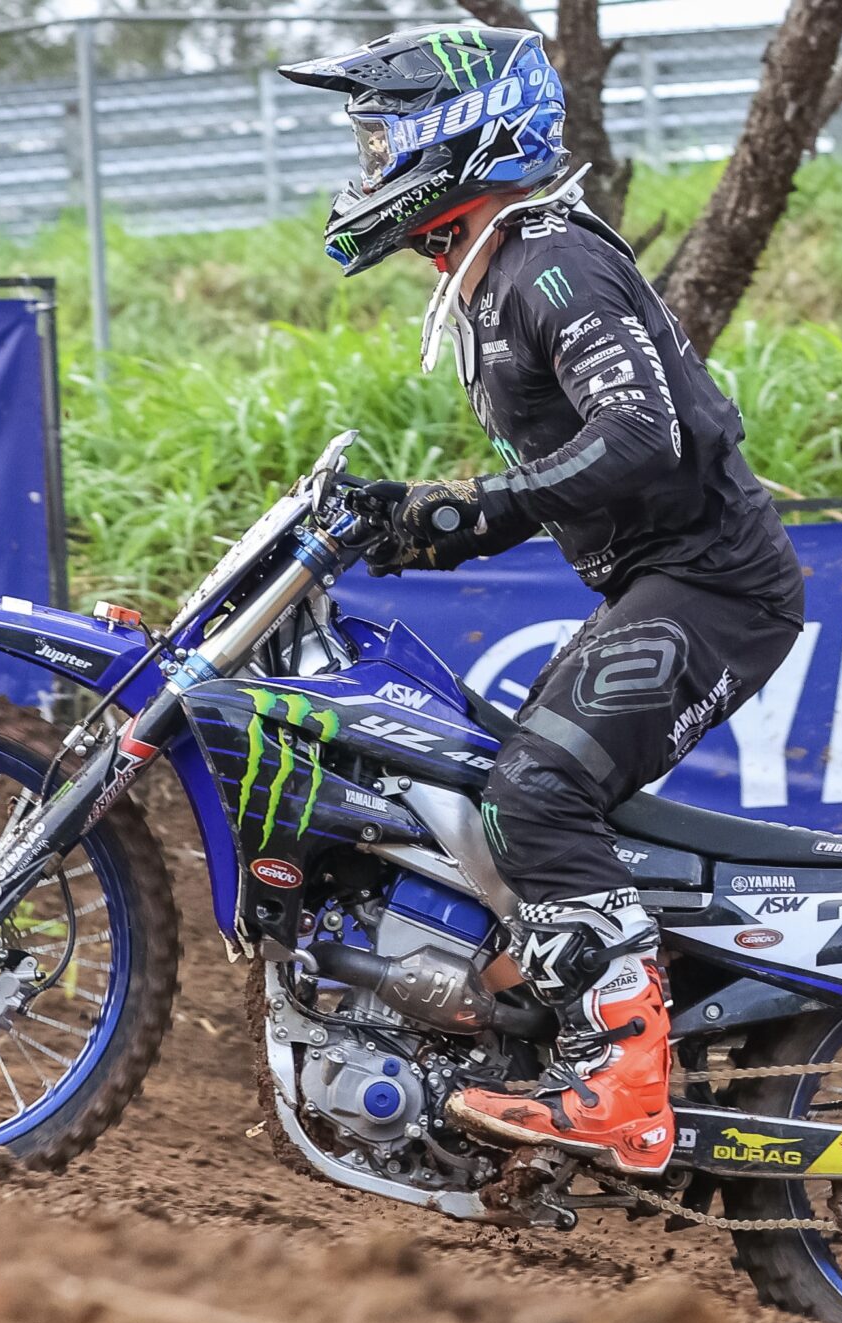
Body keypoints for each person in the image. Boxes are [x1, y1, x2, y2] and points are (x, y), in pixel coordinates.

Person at [281, 26, 805, 1176]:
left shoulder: (549, 261)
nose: (367, 165)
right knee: (490, 778)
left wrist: (480, 508)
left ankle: (624, 1083)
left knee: (539, 790)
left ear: (451, 136)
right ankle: (531, 1016)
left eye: (382, 138)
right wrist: (417, 520)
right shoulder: (494, 276)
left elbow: (639, 437)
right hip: (663, 580)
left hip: (713, 586)